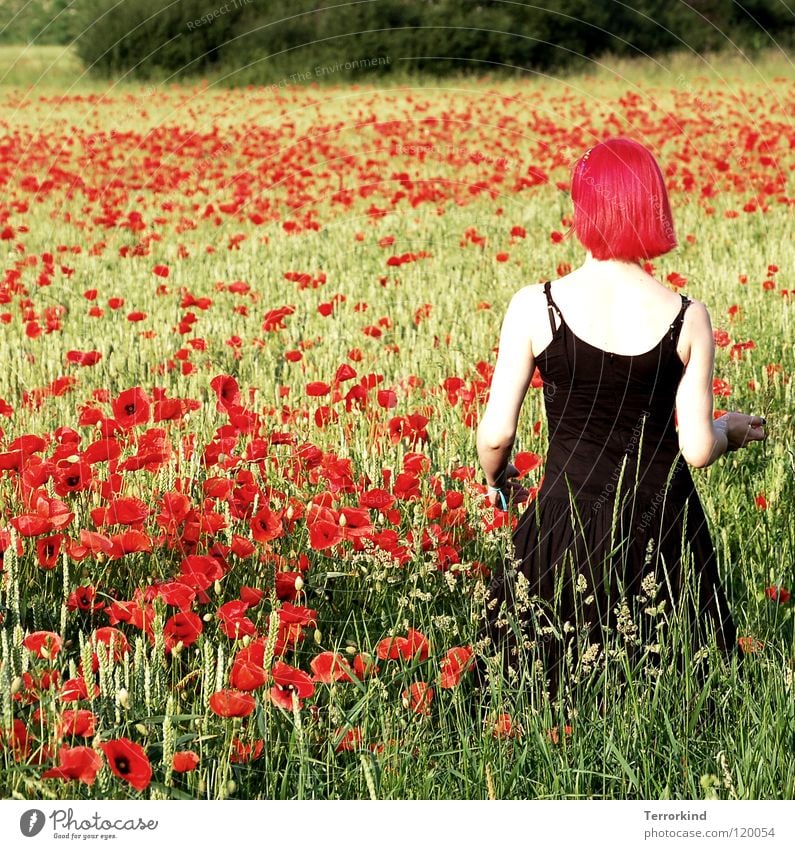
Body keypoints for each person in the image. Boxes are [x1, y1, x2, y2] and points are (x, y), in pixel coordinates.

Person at [474, 137, 766, 701]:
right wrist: (728, 430)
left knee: (535, 688)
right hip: (662, 526)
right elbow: (698, 448)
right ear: (652, 206)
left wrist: (496, 477)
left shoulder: (536, 306)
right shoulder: (688, 316)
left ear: (583, 209)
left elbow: (497, 432)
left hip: (566, 522)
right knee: (679, 692)